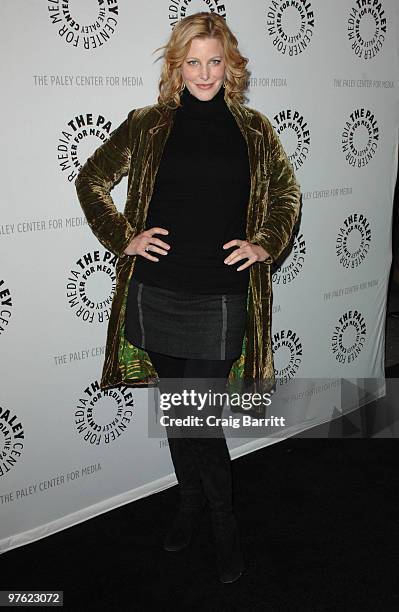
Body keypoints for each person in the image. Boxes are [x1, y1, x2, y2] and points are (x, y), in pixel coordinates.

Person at [75, 12, 301, 584]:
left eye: (215, 61)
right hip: (158, 291)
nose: (205, 73)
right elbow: (92, 180)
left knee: (202, 420)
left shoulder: (254, 129)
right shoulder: (149, 124)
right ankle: (187, 503)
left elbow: (288, 195)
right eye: (192, 62)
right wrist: (123, 237)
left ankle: (223, 522)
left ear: (231, 65)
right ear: (177, 67)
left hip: (222, 296)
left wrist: (266, 243)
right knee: (177, 415)